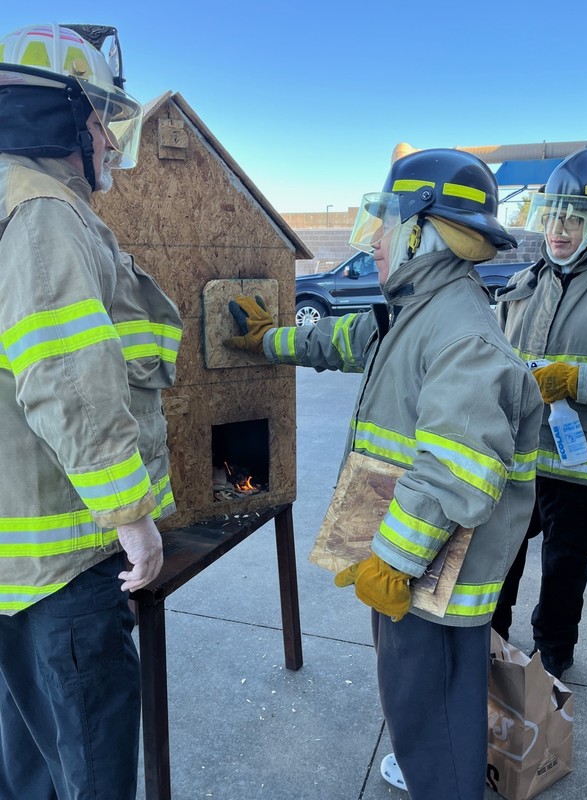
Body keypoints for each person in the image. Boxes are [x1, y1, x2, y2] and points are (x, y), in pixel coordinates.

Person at [224, 149, 542, 800]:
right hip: (417, 556)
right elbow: (345, 342)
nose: (373, 241)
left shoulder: (460, 333)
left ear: (424, 231)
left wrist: (394, 561)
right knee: (415, 693)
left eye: (387, 224)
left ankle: (444, 782)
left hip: (435, 570)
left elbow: (459, 468)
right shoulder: (420, 309)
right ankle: (431, 769)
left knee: (434, 703)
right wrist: (268, 340)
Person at [0, 23, 182, 799]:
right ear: (59, 114)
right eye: (100, 117)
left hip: (20, 558)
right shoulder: (43, 212)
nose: (109, 138)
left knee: (31, 759)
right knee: (91, 764)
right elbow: (67, 377)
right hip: (68, 559)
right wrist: (132, 518)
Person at [491, 148, 587, 680]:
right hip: (522, 453)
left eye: (573, 218)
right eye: (553, 215)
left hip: (582, 466)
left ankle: (553, 652)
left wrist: (577, 380)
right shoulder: (525, 284)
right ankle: (490, 635)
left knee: (564, 564)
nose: (557, 229)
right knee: (501, 548)